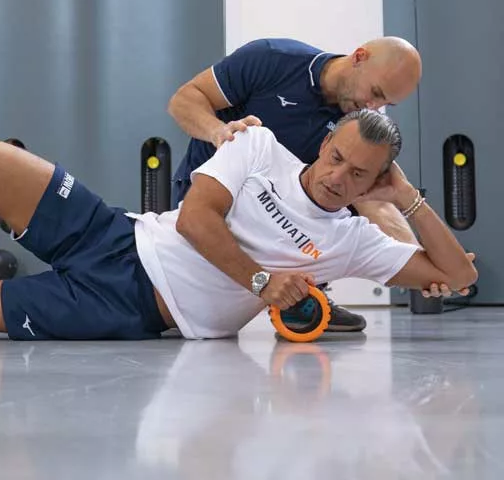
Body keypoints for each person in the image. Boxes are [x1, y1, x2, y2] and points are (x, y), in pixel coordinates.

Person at [0, 110, 475, 343]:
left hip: (130, 305)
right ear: (326, 141)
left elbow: (457, 274)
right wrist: (259, 280)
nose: (338, 176)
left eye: (359, 174)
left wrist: (409, 199)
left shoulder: (352, 240)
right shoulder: (260, 148)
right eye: (336, 155)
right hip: (119, 233)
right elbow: (197, 219)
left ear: (375, 180)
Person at [167, 37, 423, 332]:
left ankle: (303, 299)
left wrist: (420, 263)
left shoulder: (355, 126)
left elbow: (377, 205)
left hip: (268, 221)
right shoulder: (273, 59)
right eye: (375, 93)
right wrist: (219, 132)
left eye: (385, 103)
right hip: (208, 199)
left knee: (344, 190)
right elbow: (185, 99)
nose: (373, 106)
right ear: (359, 57)